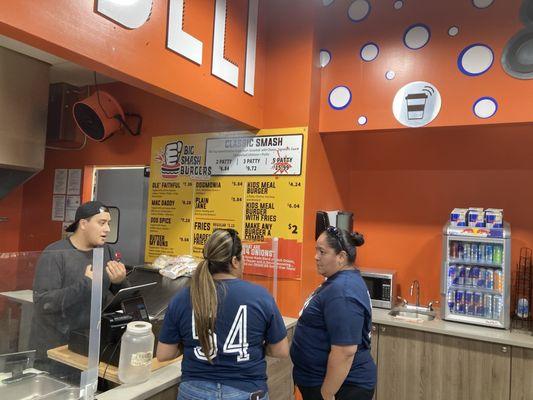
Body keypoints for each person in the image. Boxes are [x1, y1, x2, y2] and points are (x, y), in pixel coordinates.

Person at [157, 229, 289, 400]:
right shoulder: (261, 297)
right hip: (246, 390)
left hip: (194, 391)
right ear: (235, 261)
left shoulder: (182, 298)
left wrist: (191, 345)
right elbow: (281, 351)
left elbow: (164, 354)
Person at [29, 201, 129, 367]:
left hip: (91, 345)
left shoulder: (107, 252)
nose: (107, 229)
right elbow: (43, 303)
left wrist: (120, 282)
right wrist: (85, 285)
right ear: (83, 223)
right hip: (57, 350)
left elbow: (124, 299)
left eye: (108, 223)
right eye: (101, 223)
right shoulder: (55, 254)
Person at [290, 226, 376, 400]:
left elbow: (345, 351)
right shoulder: (339, 282)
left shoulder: (342, 291)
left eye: (322, 252)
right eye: (316, 250)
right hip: (324, 382)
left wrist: (327, 393)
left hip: (343, 388)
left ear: (341, 257)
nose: (316, 257)